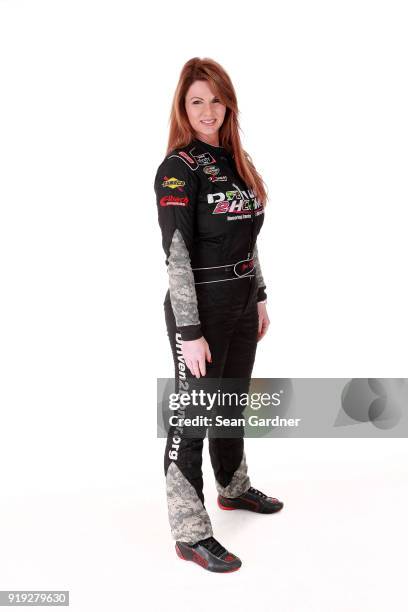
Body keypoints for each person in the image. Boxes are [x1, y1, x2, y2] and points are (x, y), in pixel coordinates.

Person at [154, 57, 284, 573]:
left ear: (228, 102)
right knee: (194, 419)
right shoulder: (177, 170)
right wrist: (189, 333)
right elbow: (177, 256)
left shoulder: (236, 160)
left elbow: (247, 236)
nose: (207, 110)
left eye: (215, 99)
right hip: (200, 313)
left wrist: (259, 295)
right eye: (196, 101)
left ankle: (233, 487)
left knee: (230, 405)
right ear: (183, 109)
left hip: (240, 303)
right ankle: (190, 533)